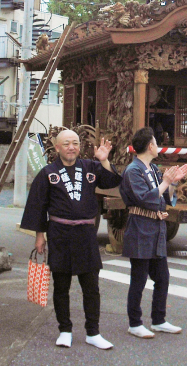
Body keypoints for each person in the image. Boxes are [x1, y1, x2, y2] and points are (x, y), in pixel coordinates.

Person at [20, 131, 122, 350]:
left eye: (75, 143)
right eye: (66, 143)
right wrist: (40, 236)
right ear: (57, 148)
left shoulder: (90, 167)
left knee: (91, 287)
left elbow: (112, 181)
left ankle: (93, 332)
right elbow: (38, 205)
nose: (71, 147)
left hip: (86, 235)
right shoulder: (48, 173)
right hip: (59, 234)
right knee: (61, 286)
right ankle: (64, 330)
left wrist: (104, 160)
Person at [121, 127, 187, 339]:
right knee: (139, 278)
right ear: (150, 146)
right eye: (156, 143)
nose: (158, 147)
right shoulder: (133, 170)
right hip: (140, 226)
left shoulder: (152, 169)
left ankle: (159, 320)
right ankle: (135, 323)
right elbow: (144, 198)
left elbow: (164, 198)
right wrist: (166, 182)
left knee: (162, 278)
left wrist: (172, 182)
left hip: (156, 228)